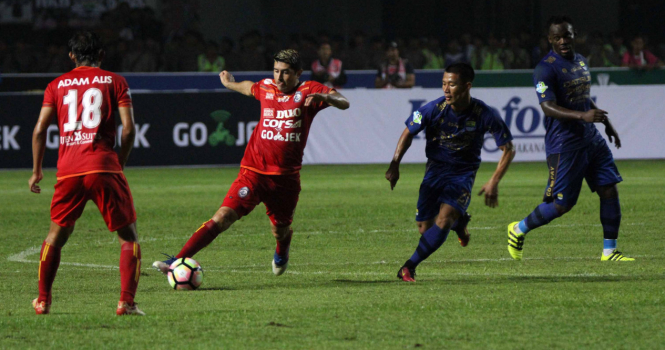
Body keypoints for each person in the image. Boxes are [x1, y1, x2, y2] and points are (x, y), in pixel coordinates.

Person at [152, 49, 350, 276]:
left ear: (298, 73)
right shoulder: (267, 87)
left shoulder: (310, 90)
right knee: (223, 217)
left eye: (285, 73)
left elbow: (344, 102)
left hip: (285, 179)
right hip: (253, 172)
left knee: (280, 230)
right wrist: (230, 84)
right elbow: (249, 88)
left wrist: (326, 97)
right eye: (276, 71)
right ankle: (176, 261)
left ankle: (282, 248)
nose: (279, 78)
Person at [29, 31, 143, 315]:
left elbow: (40, 129)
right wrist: (121, 161)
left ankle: (43, 300)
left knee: (56, 236)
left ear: (71, 56)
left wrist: (36, 171)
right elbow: (128, 128)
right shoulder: (115, 81)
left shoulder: (56, 85)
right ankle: (126, 303)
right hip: (103, 165)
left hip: (68, 170)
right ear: (101, 55)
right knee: (128, 237)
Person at [507, 16, 632, 262]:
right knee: (561, 205)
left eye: (567, 35)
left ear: (575, 35)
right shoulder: (545, 68)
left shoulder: (582, 62)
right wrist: (582, 116)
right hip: (565, 144)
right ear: (550, 40)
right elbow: (547, 106)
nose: (563, 41)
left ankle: (610, 251)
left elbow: (584, 98)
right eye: (557, 37)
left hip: (591, 139)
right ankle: (518, 229)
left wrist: (606, 124)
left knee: (609, 189)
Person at [385, 63, 515, 282]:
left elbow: (508, 148)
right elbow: (408, 131)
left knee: (443, 220)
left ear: (466, 86)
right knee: (424, 229)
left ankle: (408, 266)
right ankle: (459, 223)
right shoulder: (433, 109)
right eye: (444, 83)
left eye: (452, 84)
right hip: (435, 171)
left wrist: (494, 181)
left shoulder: (484, 113)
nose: (446, 89)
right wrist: (395, 163)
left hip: (462, 173)